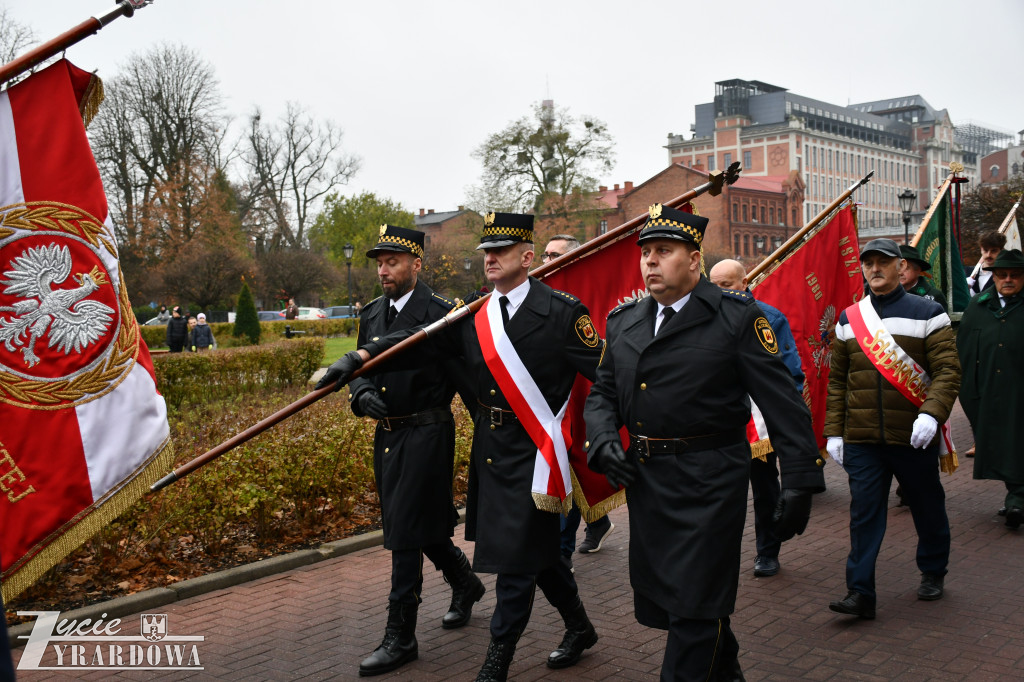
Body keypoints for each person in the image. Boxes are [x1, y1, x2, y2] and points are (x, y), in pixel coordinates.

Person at [320, 212, 605, 681]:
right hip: (493, 450)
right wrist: (361, 358)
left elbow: (607, 376)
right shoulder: (475, 312)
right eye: (486, 252)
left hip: (537, 452)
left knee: (516, 561)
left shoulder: (562, 312)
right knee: (536, 552)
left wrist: (611, 432)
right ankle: (579, 626)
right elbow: (419, 339)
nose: (490, 259)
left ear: (528, 257)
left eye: (502, 252)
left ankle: (496, 662)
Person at [583, 204, 825, 681]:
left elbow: (783, 403)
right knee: (680, 603)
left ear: (694, 260)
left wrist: (800, 481)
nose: (651, 261)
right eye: (646, 252)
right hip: (649, 482)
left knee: (693, 608)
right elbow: (603, 392)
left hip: (710, 481)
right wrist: (604, 439)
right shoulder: (625, 321)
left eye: (664, 251)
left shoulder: (736, 318)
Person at [317, 225, 483, 676]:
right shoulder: (372, 313)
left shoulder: (443, 313)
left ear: (416, 264)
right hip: (387, 435)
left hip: (428, 430)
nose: (384, 270)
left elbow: (467, 379)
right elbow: (360, 367)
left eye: (392, 262)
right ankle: (464, 582)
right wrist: (359, 394)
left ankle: (401, 636)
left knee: (405, 533)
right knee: (414, 524)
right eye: (379, 263)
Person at [824, 238, 960, 620]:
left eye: (883, 263)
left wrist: (931, 414)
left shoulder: (929, 312)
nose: (875, 270)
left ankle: (933, 569)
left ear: (901, 268)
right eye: (868, 264)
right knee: (863, 514)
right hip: (864, 438)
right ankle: (860, 591)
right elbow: (838, 380)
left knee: (926, 505)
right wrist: (834, 432)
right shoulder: (850, 319)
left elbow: (948, 371)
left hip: (912, 436)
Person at [709, 258, 805, 579]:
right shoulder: (702, 316)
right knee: (720, 493)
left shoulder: (769, 318)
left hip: (757, 420)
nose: (719, 292)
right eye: (714, 285)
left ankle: (767, 550)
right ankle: (720, 555)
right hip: (718, 419)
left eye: (726, 285)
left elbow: (788, 373)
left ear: (744, 282)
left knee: (764, 489)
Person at [540, 234, 616, 560]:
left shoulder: (574, 299)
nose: (546, 261)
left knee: (573, 461)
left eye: (554, 255)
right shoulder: (538, 295)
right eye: (544, 254)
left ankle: (562, 554)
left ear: (574, 258)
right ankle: (596, 519)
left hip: (581, 393)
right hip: (546, 398)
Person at [956, 248, 1024, 528]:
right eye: (1002, 275)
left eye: (1015, 275)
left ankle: (1016, 500)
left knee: (1018, 441)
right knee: (999, 443)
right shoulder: (979, 306)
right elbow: (965, 347)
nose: (1008, 280)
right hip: (986, 389)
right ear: (993, 276)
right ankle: (1015, 496)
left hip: (1019, 390)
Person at [899, 244, 947, 312]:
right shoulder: (886, 295)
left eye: (906, 268)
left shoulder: (934, 296)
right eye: (897, 268)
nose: (900, 273)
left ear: (918, 270)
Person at [967, 230, 1006, 296]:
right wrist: (964, 289)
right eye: (985, 250)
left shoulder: (1005, 276)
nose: (988, 255)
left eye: (994, 251)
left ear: (1001, 251)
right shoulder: (967, 272)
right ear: (981, 249)